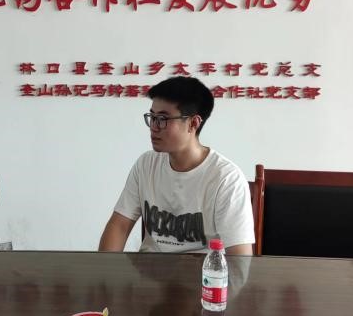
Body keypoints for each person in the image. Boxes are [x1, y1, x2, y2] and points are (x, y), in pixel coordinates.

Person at [99, 76, 254, 255]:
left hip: (202, 270)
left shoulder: (226, 179)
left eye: (163, 118)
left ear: (193, 123)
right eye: (152, 117)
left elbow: (240, 257)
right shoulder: (146, 165)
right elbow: (119, 225)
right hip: (149, 269)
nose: (154, 127)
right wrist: (105, 269)